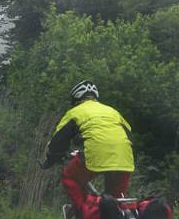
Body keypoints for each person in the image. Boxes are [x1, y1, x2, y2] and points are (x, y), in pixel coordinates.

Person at [43, 80, 134, 211]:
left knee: (70, 177)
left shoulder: (75, 112)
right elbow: (128, 133)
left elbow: (58, 140)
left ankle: (84, 213)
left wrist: (51, 158)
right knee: (115, 201)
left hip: (96, 154)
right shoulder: (112, 111)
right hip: (124, 157)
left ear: (76, 99)